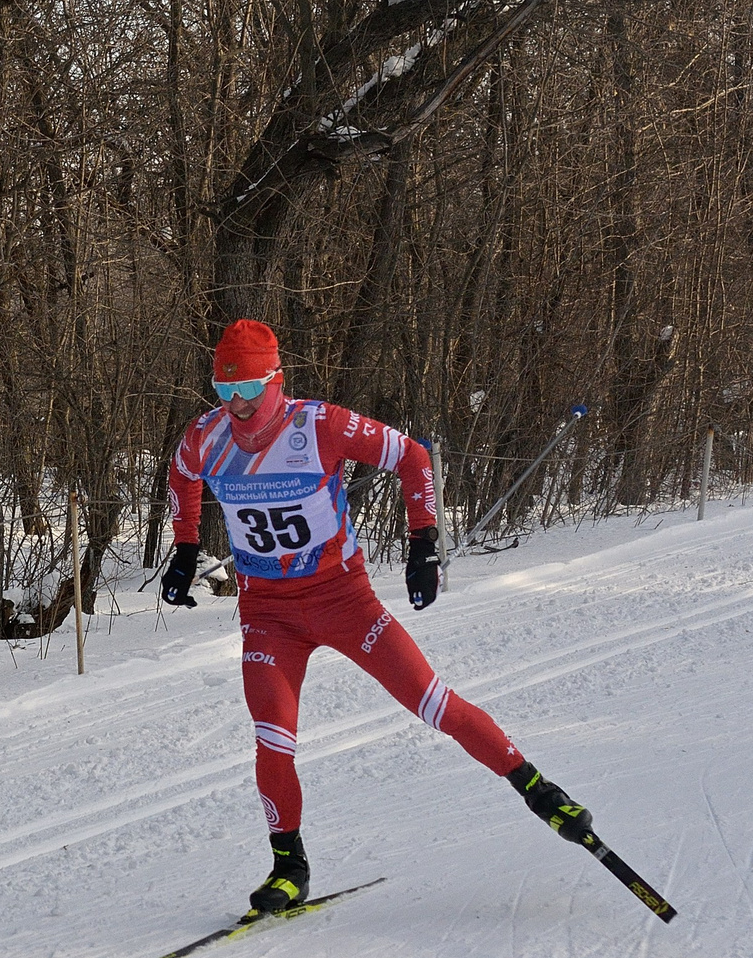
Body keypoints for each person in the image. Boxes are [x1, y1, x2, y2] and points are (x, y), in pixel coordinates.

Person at [160, 318, 596, 917]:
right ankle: (289, 867)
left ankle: (541, 792)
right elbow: (182, 476)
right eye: (224, 390)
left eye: (249, 390)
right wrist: (186, 547)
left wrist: (424, 542)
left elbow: (413, 457)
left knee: (432, 703)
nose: (236, 405)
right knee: (272, 739)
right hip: (268, 613)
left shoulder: (319, 425)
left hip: (343, 600)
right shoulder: (206, 436)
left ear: (275, 380)